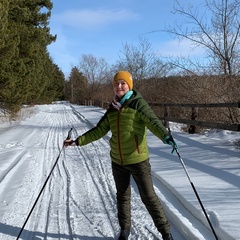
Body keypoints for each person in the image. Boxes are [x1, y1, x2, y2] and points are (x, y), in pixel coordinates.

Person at [64, 71, 176, 240]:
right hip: (118, 161)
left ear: (129, 85)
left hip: (138, 160)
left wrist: (166, 137)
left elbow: (153, 122)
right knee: (122, 196)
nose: (119, 86)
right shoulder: (113, 108)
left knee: (149, 197)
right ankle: (124, 230)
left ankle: (165, 233)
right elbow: (99, 130)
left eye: (123, 83)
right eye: (116, 84)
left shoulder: (138, 104)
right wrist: (77, 141)